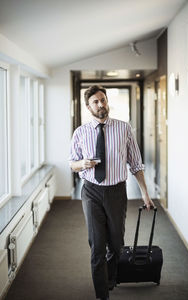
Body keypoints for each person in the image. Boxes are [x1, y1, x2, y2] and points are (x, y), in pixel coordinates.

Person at [69, 85, 154, 300]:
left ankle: (111, 277)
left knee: (116, 243)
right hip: (91, 192)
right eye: (95, 102)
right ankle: (102, 294)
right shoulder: (80, 132)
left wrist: (145, 194)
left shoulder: (124, 129)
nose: (101, 105)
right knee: (97, 245)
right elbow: (72, 164)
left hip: (116, 192)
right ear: (89, 107)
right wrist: (82, 163)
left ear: (107, 101)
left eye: (103, 100)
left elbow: (136, 164)